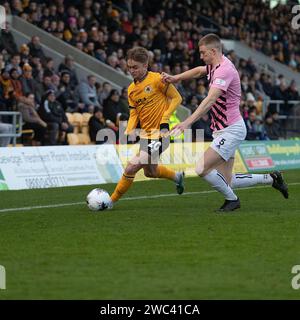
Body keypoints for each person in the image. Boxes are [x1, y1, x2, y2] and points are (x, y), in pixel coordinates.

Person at [162, 34, 288, 212]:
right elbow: (199, 70)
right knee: (227, 180)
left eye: (203, 53)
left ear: (213, 51)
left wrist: (186, 122)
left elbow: (210, 99)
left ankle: (233, 201)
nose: (201, 56)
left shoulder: (224, 70)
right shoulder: (216, 64)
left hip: (231, 130)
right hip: (222, 130)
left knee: (201, 168)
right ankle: (272, 178)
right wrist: (176, 78)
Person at [108, 46, 185, 208]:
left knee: (131, 167)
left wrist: (165, 117)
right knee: (151, 172)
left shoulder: (158, 79)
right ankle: (177, 177)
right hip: (146, 136)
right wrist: (128, 130)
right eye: (129, 67)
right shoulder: (131, 90)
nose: (131, 71)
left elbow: (177, 98)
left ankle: (110, 201)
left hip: (161, 135)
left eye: (135, 67)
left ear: (145, 65)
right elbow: (134, 112)